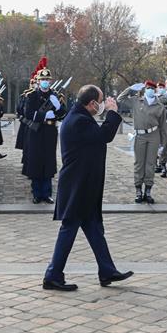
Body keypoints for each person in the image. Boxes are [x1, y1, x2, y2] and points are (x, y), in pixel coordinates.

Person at [43, 85, 133, 292]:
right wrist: (112, 112)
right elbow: (104, 136)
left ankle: (107, 270)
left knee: (93, 228)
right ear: (92, 103)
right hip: (78, 185)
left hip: (84, 184)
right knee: (69, 228)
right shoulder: (79, 120)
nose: (102, 104)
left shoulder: (79, 116)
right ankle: (53, 275)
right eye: (101, 101)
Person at [24, 60, 67, 204]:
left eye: (47, 80)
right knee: (36, 161)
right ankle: (36, 193)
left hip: (50, 131)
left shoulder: (55, 96)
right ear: (38, 80)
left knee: (48, 161)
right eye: (42, 79)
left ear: (50, 81)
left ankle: (47, 193)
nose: (45, 82)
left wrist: (58, 107)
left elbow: (63, 115)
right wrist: (43, 116)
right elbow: (28, 113)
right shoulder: (31, 96)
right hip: (36, 131)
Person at [118, 80, 164, 203]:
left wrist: (162, 144)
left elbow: (163, 126)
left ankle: (148, 190)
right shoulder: (136, 101)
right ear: (144, 89)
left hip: (154, 136)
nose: (149, 90)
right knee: (139, 164)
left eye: (152, 88)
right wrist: (130, 88)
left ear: (155, 91)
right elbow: (120, 99)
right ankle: (138, 190)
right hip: (140, 136)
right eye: (147, 88)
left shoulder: (159, 106)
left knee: (150, 164)